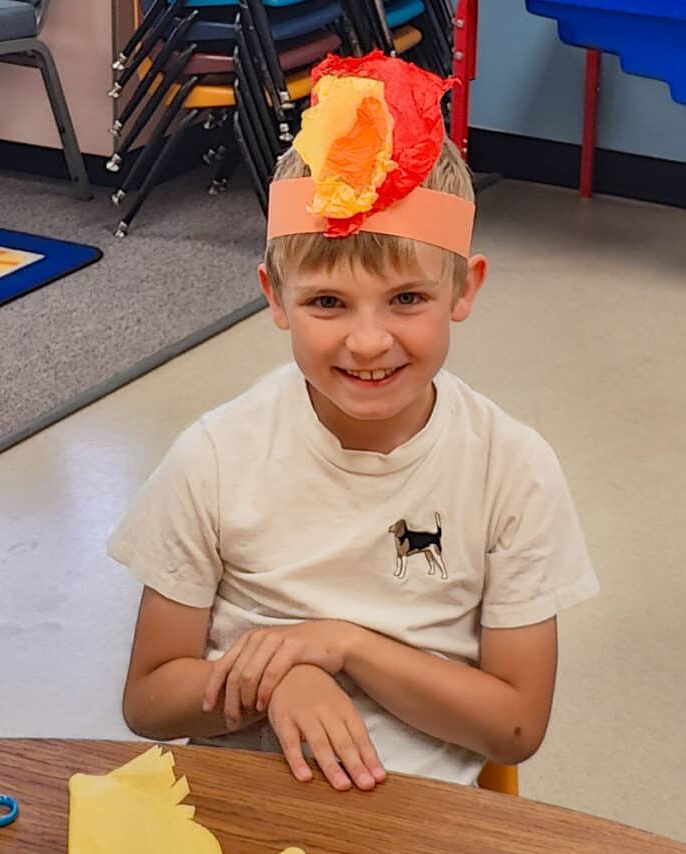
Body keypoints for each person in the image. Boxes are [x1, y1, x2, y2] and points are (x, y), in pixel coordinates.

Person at [111, 52, 598, 791]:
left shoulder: (512, 469)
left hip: (428, 830)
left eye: (406, 299)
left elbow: (516, 725)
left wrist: (340, 647)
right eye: (328, 303)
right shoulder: (214, 459)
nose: (369, 342)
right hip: (239, 819)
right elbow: (148, 700)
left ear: (464, 289)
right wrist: (275, 683)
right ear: (275, 298)